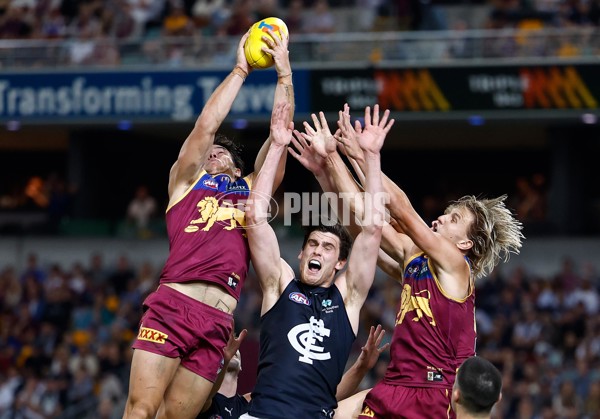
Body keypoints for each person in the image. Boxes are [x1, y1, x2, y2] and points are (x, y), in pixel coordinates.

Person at [293, 103, 523, 418]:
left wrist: (363, 156)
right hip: (395, 384)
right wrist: (328, 165)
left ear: (465, 243)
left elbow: (402, 210)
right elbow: (364, 224)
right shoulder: (414, 259)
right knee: (319, 413)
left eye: (453, 219)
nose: (442, 218)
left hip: (434, 392)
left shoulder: (457, 266)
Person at [123, 26, 295, 419]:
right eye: (208, 153)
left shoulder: (252, 192)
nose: (210, 155)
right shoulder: (187, 182)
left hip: (219, 319)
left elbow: (279, 135)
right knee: (142, 409)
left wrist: (284, 74)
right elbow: (205, 126)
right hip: (174, 304)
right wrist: (240, 71)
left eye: (219, 154)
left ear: (237, 168)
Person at [241, 102, 388, 418]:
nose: (318, 251)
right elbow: (253, 216)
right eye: (313, 244)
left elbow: (373, 228)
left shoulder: (347, 298)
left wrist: (372, 157)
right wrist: (277, 146)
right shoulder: (279, 284)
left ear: (339, 263)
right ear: (301, 253)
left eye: (327, 247)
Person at [197, 324, 390, 419]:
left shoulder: (256, 402)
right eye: (225, 348)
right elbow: (208, 395)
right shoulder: (202, 401)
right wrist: (223, 361)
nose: (232, 350)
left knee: (370, 397)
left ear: (243, 367)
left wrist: (361, 367)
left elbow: (324, 400)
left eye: (234, 347)